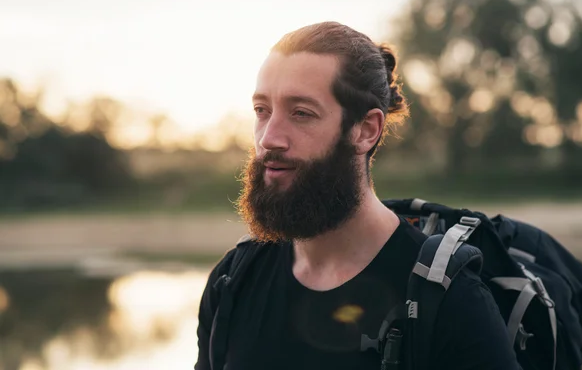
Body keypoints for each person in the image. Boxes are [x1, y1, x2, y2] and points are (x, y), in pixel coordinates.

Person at [194, 21, 520, 370]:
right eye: (262, 111)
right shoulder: (234, 279)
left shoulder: (450, 301)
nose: (269, 138)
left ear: (365, 130)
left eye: (301, 113)